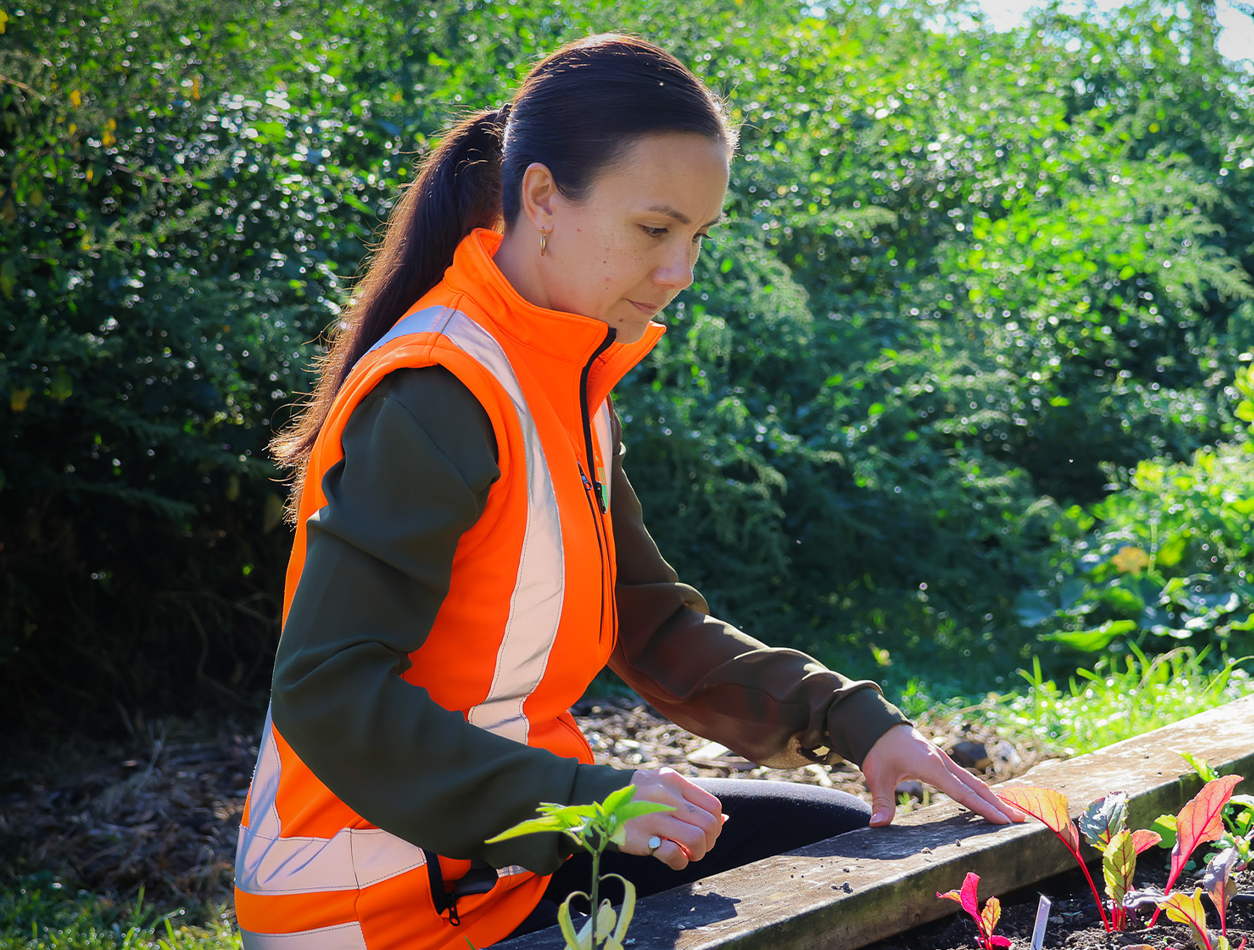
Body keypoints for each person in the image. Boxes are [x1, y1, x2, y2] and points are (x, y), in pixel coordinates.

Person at [234, 32, 1021, 950]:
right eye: (654, 229)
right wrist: (591, 802)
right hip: (382, 910)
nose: (679, 273)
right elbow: (326, 691)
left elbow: (649, 624)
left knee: (850, 852)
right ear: (541, 199)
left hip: (522, 857)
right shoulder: (436, 392)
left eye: (696, 237)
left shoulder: (563, 380)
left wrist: (857, 723)